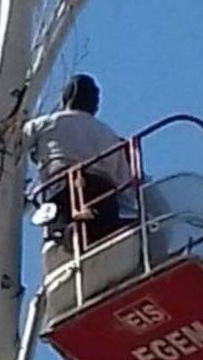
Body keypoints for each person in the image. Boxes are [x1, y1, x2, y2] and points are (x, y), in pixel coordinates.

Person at [23, 74, 134, 243]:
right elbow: (126, 188)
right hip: (105, 201)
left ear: (67, 97)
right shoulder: (109, 136)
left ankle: (67, 233)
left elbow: (10, 149)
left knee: (61, 237)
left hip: (61, 193)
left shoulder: (45, 124)